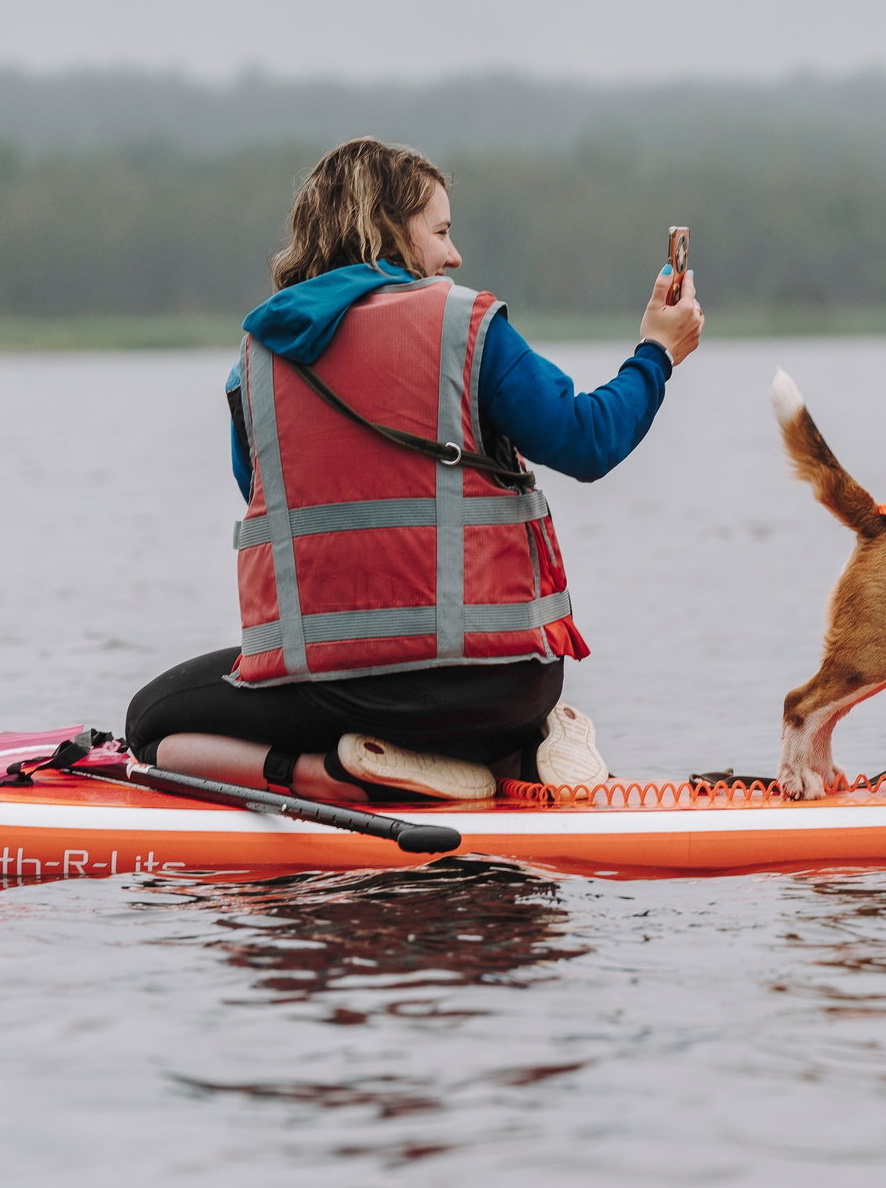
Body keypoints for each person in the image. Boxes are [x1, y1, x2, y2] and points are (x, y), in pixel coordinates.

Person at [123, 137, 703, 804]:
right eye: (441, 231)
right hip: (509, 688)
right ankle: (525, 742)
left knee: (150, 723)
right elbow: (588, 441)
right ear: (387, 231)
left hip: (347, 697)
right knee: (458, 701)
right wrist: (657, 351)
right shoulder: (469, 325)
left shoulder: (253, 371)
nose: (454, 255)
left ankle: (338, 774)